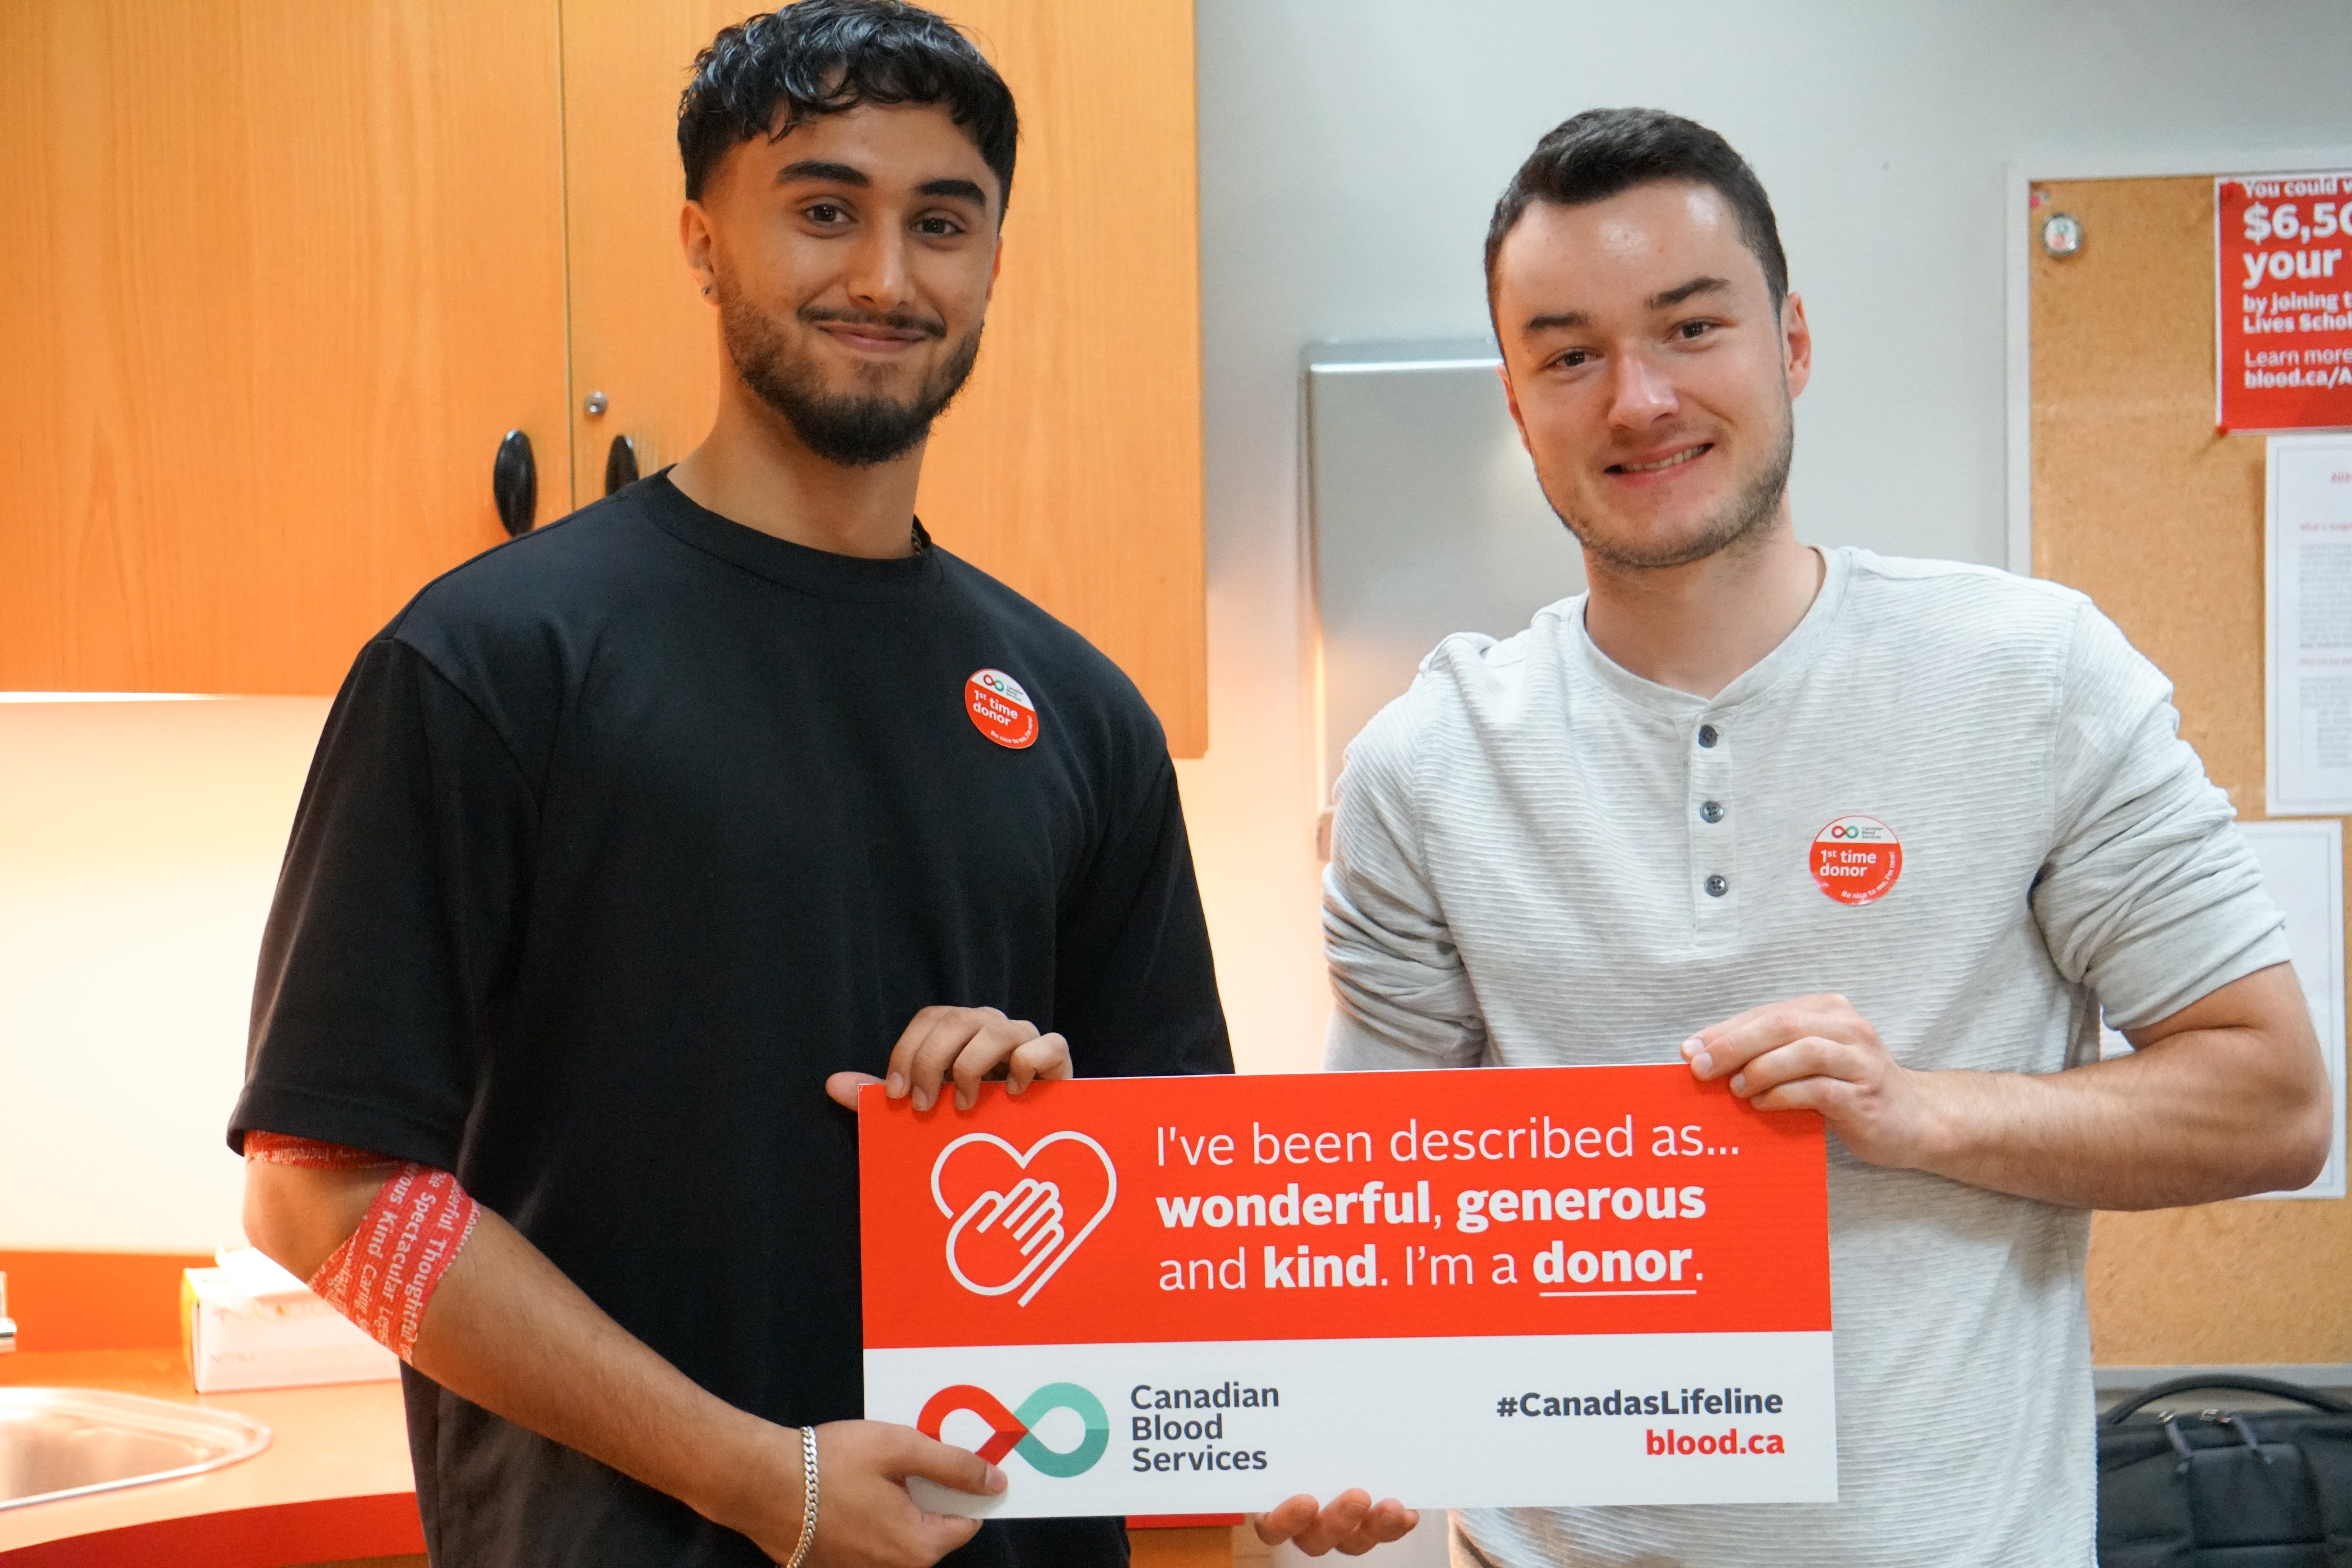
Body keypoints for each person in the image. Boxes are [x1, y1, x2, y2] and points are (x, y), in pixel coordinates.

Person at [231, 4, 1406, 1564]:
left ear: (992, 264)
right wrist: (761, 1479)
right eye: (824, 209)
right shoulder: (490, 664)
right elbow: (327, 1197)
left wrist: (1046, 1125)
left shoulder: (1081, 713)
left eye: (942, 222)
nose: (885, 277)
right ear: (703, 241)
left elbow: (1174, 1229)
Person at [1321, 107, 2334, 1567]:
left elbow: (2274, 1103)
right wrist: (1333, 1432)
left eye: (1690, 327)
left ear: (1791, 341)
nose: (1639, 397)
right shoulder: (1427, 763)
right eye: (1569, 354)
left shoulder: (2037, 676)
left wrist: (1921, 1112)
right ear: (1517, 397)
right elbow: (1371, 1208)